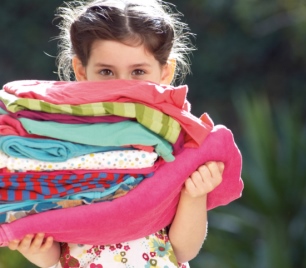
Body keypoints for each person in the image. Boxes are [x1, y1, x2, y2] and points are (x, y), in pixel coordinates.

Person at [7, 0, 224, 267]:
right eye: (107, 71)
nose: (123, 85)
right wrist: (36, 248)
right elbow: (54, 251)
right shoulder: (61, 138)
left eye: (138, 72)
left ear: (165, 71)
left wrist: (194, 194)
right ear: (81, 71)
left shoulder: (178, 142)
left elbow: (182, 250)